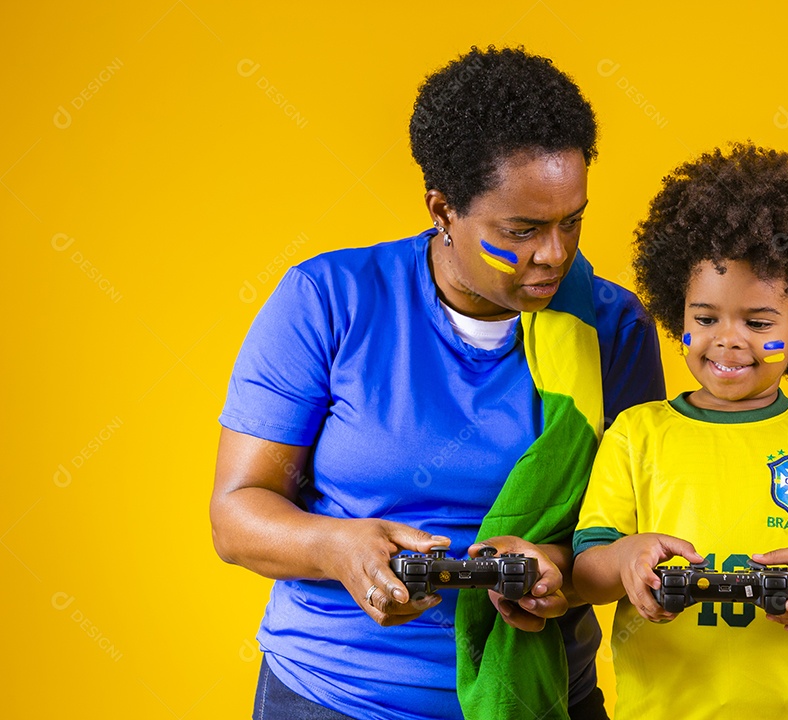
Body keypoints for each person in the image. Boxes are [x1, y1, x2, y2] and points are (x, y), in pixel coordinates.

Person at [210, 46, 665, 720]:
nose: (556, 254)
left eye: (573, 221)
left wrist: (556, 569)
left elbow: (632, 532)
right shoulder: (328, 300)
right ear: (443, 208)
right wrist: (336, 548)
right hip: (334, 696)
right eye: (522, 229)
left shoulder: (610, 324)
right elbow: (237, 515)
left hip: (541, 697)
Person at [572, 143, 788, 720]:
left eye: (758, 322)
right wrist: (627, 557)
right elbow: (587, 571)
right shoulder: (636, 432)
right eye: (705, 319)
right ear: (680, 316)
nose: (727, 340)